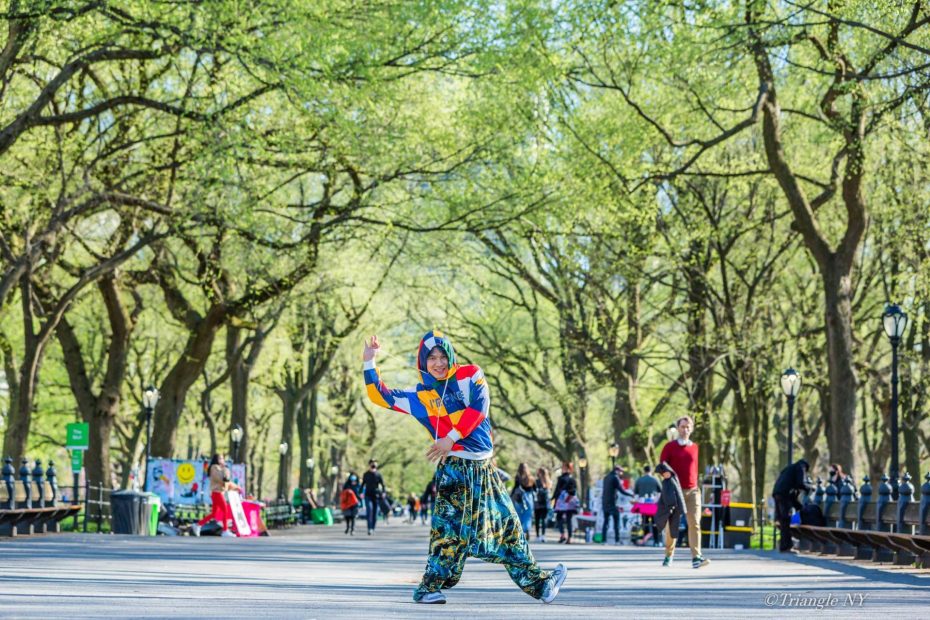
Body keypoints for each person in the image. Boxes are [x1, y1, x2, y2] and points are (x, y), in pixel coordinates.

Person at [363, 331, 567, 604]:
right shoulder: (420, 395)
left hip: (483, 469)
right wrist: (370, 361)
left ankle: (540, 586)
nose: (438, 363)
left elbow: (479, 409)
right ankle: (427, 589)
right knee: (448, 533)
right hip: (454, 471)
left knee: (507, 525)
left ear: (451, 356)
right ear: (423, 361)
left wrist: (451, 437)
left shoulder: (470, 375)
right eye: (431, 358)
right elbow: (381, 396)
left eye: (442, 356)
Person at [659, 415, 710, 568]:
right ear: (678, 428)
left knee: (695, 523)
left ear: (692, 429)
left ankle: (696, 557)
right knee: (672, 524)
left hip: (693, 490)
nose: (685, 429)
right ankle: (669, 555)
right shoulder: (669, 447)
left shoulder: (695, 448)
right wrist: (665, 474)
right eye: (682, 427)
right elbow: (662, 465)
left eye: (688, 427)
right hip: (675, 490)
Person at [192, 454, 238, 538]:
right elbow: (222, 479)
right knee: (225, 510)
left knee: (214, 513)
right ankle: (225, 530)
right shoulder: (214, 468)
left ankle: (198, 525)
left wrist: (235, 486)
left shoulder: (220, 468)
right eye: (220, 458)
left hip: (218, 492)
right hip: (217, 492)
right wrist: (225, 469)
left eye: (223, 458)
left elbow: (226, 481)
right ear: (216, 460)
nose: (222, 460)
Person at [772, 459, 812, 553]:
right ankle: (786, 546)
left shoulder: (789, 468)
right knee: (786, 520)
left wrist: (798, 506)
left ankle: (784, 545)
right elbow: (800, 483)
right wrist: (809, 488)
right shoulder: (800, 467)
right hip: (784, 495)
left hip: (777, 493)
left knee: (783, 520)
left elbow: (792, 492)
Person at [653, 462, 686, 566]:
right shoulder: (666, 482)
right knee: (669, 531)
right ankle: (668, 555)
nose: (664, 475)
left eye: (665, 472)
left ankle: (669, 556)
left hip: (673, 509)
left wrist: (678, 508)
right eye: (663, 473)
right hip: (668, 509)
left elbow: (677, 495)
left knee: (672, 530)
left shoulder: (672, 481)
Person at [601, 465, 633, 545]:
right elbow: (622, 490)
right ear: (617, 471)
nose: (621, 473)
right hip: (612, 503)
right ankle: (617, 540)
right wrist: (631, 495)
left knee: (606, 522)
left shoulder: (606, 477)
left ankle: (604, 540)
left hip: (605, 502)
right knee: (616, 521)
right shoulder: (615, 478)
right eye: (621, 471)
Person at [552, 462, 576, 544]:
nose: (563, 469)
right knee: (567, 519)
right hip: (568, 500)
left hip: (563, 500)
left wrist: (554, 498)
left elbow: (557, 490)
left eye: (564, 467)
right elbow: (573, 490)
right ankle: (567, 537)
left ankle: (564, 535)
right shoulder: (571, 478)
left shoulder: (562, 478)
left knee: (561, 518)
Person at [511, 463, 537, 535]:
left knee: (519, 513)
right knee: (528, 514)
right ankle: (526, 529)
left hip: (519, 497)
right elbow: (535, 489)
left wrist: (511, 495)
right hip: (529, 497)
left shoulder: (518, 477)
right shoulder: (531, 478)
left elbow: (515, 487)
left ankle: (521, 530)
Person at [361, 459, 385, 535]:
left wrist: (383, 492)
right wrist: (360, 492)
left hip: (376, 496)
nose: (373, 465)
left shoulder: (378, 474)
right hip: (368, 495)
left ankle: (373, 528)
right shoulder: (366, 474)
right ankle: (369, 528)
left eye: (375, 464)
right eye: (372, 464)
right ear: (369, 465)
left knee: (375, 513)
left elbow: (383, 485)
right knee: (369, 510)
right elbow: (363, 484)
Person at [534, 467, 552, 543]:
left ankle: (538, 536)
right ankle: (543, 535)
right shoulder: (549, 482)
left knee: (537, 520)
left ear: (540, 473)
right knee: (544, 519)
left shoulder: (536, 481)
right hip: (545, 503)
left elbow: (534, 491)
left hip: (537, 503)